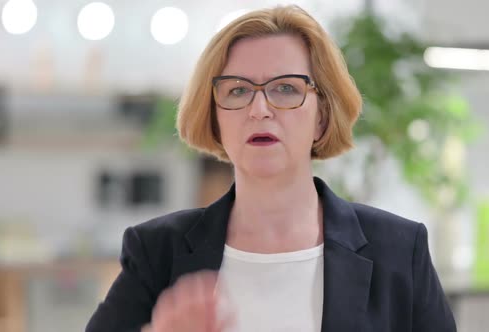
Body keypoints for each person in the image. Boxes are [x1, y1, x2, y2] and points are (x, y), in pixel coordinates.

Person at [86, 5, 456, 332]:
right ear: (214, 119)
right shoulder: (156, 251)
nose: (259, 109)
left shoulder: (398, 250)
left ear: (322, 118)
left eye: (285, 88)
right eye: (237, 91)